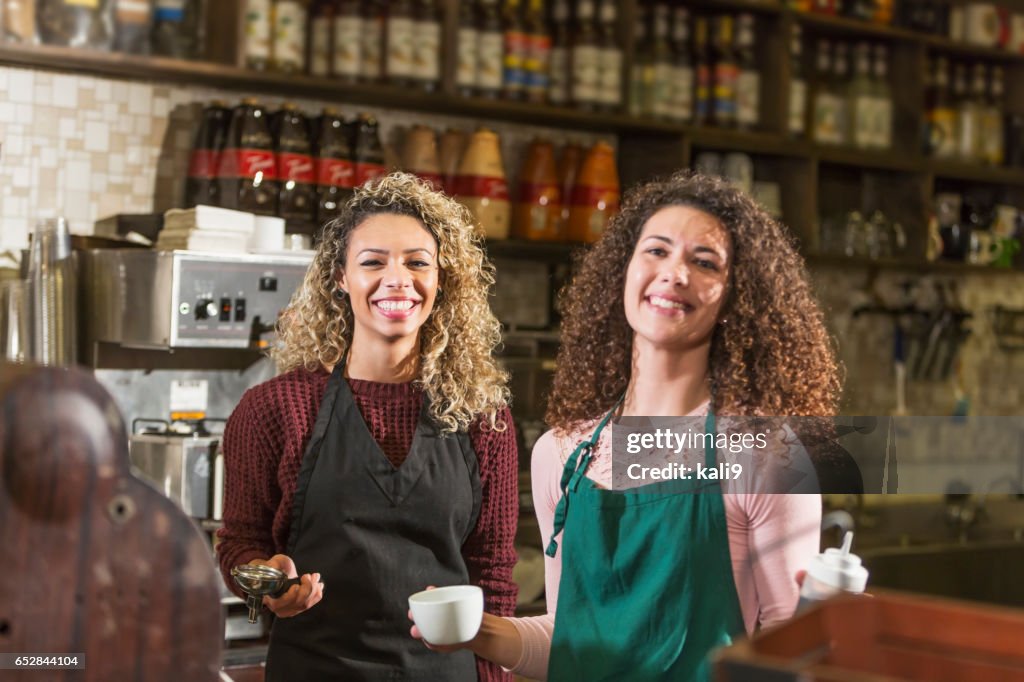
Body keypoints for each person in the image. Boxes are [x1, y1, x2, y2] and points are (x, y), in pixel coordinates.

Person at [413, 171, 842, 680]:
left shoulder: (764, 456)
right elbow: (569, 637)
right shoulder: (562, 454)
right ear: (624, 270)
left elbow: (784, 658)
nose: (674, 273)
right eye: (656, 251)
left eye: (704, 262)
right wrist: (478, 632)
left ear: (735, 299)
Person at [217, 172, 519, 681]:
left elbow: (492, 575)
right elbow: (238, 543)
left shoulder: (483, 418)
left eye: (417, 262)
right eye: (373, 262)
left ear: (442, 279)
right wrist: (270, 585)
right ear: (341, 277)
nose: (397, 279)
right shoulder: (274, 408)